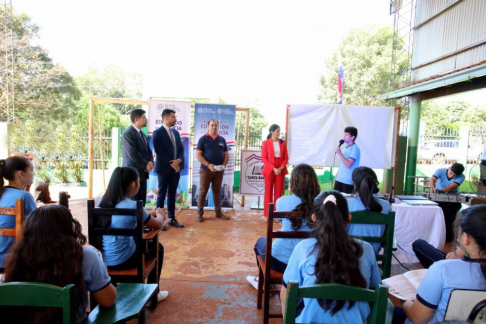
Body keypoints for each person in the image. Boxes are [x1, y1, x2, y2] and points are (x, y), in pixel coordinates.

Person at [3, 205, 116, 324]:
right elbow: (108, 300)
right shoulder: (86, 256)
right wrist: (102, 271)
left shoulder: (18, 256)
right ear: (69, 227)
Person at [281, 190, 381, 323]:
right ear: (349, 218)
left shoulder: (303, 249)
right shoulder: (366, 249)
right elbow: (375, 292)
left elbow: (286, 294)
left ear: (314, 218)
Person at [397, 205, 486, 324]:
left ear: (465, 238)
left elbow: (418, 318)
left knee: (392, 311)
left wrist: (404, 300)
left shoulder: (442, 269)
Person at [97, 166, 168, 303]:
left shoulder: (100, 201)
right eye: (139, 181)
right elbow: (158, 224)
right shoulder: (132, 206)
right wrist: (160, 214)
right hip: (124, 260)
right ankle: (153, 296)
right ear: (133, 184)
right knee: (157, 247)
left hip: (103, 259)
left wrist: (149, 215)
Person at [246, 164, 321, 289]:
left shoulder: (282, 201)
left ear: (293, 183)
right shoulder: (320, 203)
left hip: (279, 261)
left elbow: (282, 220)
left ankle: (265, 283)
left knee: (260, 242)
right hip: (310, 261)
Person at [0, 156, 37, 269]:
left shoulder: (2, 193)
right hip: (12, 259)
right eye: (31, 170)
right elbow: (40, 225)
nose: (33, 174)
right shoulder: (23, 196)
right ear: (21, 173)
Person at [347, 166, 391, 254]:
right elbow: (385, 234)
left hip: (349, 253)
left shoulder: (347, 205)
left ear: (355, 184)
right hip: (373, 252)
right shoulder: (386, 206)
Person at [153, 108, 185, 228]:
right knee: (161, 194)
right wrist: (172, 163)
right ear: (166, 118)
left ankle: (171, 218)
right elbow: (159, 151)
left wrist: (179, 161)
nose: (175, 119)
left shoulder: (176, 133)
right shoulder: (157, 133)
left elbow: (181, 150)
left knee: (172, 194)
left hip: (175, 170)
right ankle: (158, 221)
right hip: (163, 169)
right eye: (173, 117)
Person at [195, 119, 230, 222]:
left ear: (218, 126)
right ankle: (199, 214)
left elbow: (226, 154)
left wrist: (223, 165)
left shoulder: (222, 140)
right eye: (212, 125)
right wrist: (208, 165)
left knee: (217, 191)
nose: (214, 127)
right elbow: (198, 154)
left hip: (219, 171)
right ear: (208, 126)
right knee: (203, 191)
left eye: (215, 125)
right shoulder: (203, 139)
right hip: (206, 170)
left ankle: (218, 213)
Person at [121, 109, 154, 205]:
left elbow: (148, 150)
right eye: (143, 118)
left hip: (142, 173)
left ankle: (141, 219)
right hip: (132, 172)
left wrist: (151, 162)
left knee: (141, 201)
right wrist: (145, 165)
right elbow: (132, 152)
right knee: (133, 201)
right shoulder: (128, 133)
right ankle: (133, 220)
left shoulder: (142, 133)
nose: (146, 119)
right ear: (136, 119)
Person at [429, 162, 465, 242]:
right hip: (437, 196)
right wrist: (432, 187)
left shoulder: (462, 177)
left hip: (452, 200)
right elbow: (433, 179)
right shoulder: (440, 171)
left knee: (450, 219)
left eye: (454, 175)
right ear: (449, 168)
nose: (452, 176)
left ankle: (447, 238)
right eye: (451, 173)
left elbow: (450, 187)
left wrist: (438, 190)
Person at [261, 124, 289, 217]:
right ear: (271, 132)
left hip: (280, 168)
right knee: (268, 192)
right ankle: (267, 214)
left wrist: (281, 167)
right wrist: (273, 168)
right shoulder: (266, 143)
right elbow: (264, 158)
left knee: (278, 192)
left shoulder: (282, 143)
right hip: (270, 168)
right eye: (277, 131)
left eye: (279, 131)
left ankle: (277, 214)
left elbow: (285, 157)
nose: (279, 133)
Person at [334, 126, 360, 194]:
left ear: (352, 137)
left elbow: (348, 165)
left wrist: (339, 153)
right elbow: (342, 165)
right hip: (339, 179)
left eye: (347, 135)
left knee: (347, 202)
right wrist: (336, 177)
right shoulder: (344, 148)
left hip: (348, 181)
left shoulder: (355, 149)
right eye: (344, 134)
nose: (344, 136)